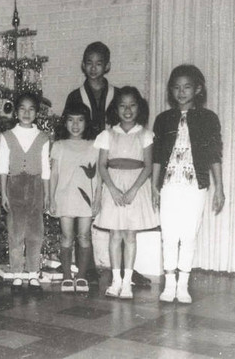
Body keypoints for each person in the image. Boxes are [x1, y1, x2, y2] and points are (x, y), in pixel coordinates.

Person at [152, 64, 224, 304]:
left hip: (195, 185)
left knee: (188, 234)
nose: (181, 92)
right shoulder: (163, 119)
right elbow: (157, 156)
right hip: (169, 184)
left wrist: (219, 189)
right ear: (171, 91)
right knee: (169, 235)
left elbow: (215, 155)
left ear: (198, 89)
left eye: (187, 87)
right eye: (176, 87)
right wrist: (154, 185)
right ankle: (169, 282)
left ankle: (183, 284)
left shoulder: (208, 118)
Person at [62, 41, 121, 285]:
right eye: (89, 62)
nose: (93, 68)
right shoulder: (76, 96)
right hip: (84, 161)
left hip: (111, 160)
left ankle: (122, 266)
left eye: (99, 63)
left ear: (107, 65)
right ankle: (85, 268)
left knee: (112, 213)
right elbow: (66, 132)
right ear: (83, 65)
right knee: (83, 215)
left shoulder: (118, 95)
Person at [94, 86, 159, 299]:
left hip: (135, 188)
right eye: (122, 105)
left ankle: (128, 282)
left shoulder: (146, 135)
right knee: (115, 235)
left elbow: (148, 166)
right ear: (116, 109)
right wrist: (111, 189)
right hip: (113, 186)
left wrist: (132, 190)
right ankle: (116, 281)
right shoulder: (107, 134)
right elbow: (102, 165)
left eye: (132, 105)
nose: (127, 110)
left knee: (130, 235)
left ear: (139, 108)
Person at [0, 92, 50, 291]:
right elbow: (3, 168)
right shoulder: (7, 136)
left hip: (36, 187)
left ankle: (33, 273)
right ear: (16, 112)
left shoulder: (43, 138)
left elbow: (46, 169)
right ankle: (17, 273)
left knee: (35, 232)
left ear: (37, 112)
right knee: (15, 231)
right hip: (14, 187)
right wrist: (3, 193)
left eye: (31, 109)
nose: (26, 112)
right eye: (22, 108)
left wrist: (46, 195)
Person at [50, 103, 101, 293]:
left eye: (80, 120)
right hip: (65, 196)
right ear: (65, 123)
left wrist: (97, 198)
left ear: (87, 123)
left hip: (86, 198)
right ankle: (66, 276)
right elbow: (54, 173)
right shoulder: (59, 145)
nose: (75, 125)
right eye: (71, 120)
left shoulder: (94, 145)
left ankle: (81, 276)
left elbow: (99, 175)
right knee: (66, 236)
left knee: (84, 236)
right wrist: (51, 197)